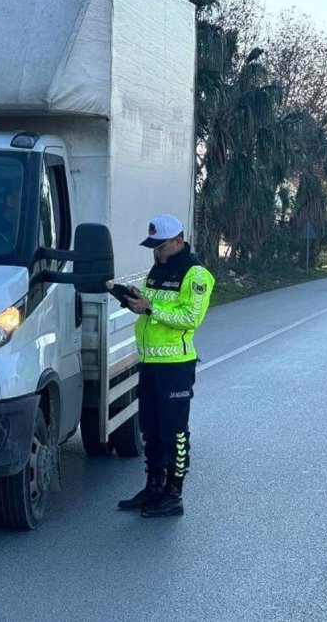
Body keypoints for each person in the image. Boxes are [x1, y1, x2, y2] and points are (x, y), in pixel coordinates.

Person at [118, 214, 215, 518]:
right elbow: (153, 309)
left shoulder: (196, 275)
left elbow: (191, 319)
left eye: (160, 246)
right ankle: (153, 487)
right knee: (151, 430)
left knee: (175, 433)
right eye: (153, 247)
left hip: (175, 365)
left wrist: (151, 308)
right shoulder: (157, 269)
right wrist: (136, 301)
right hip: (149, 362)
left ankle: (174, 495)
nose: (156, 252)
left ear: (178, 241)